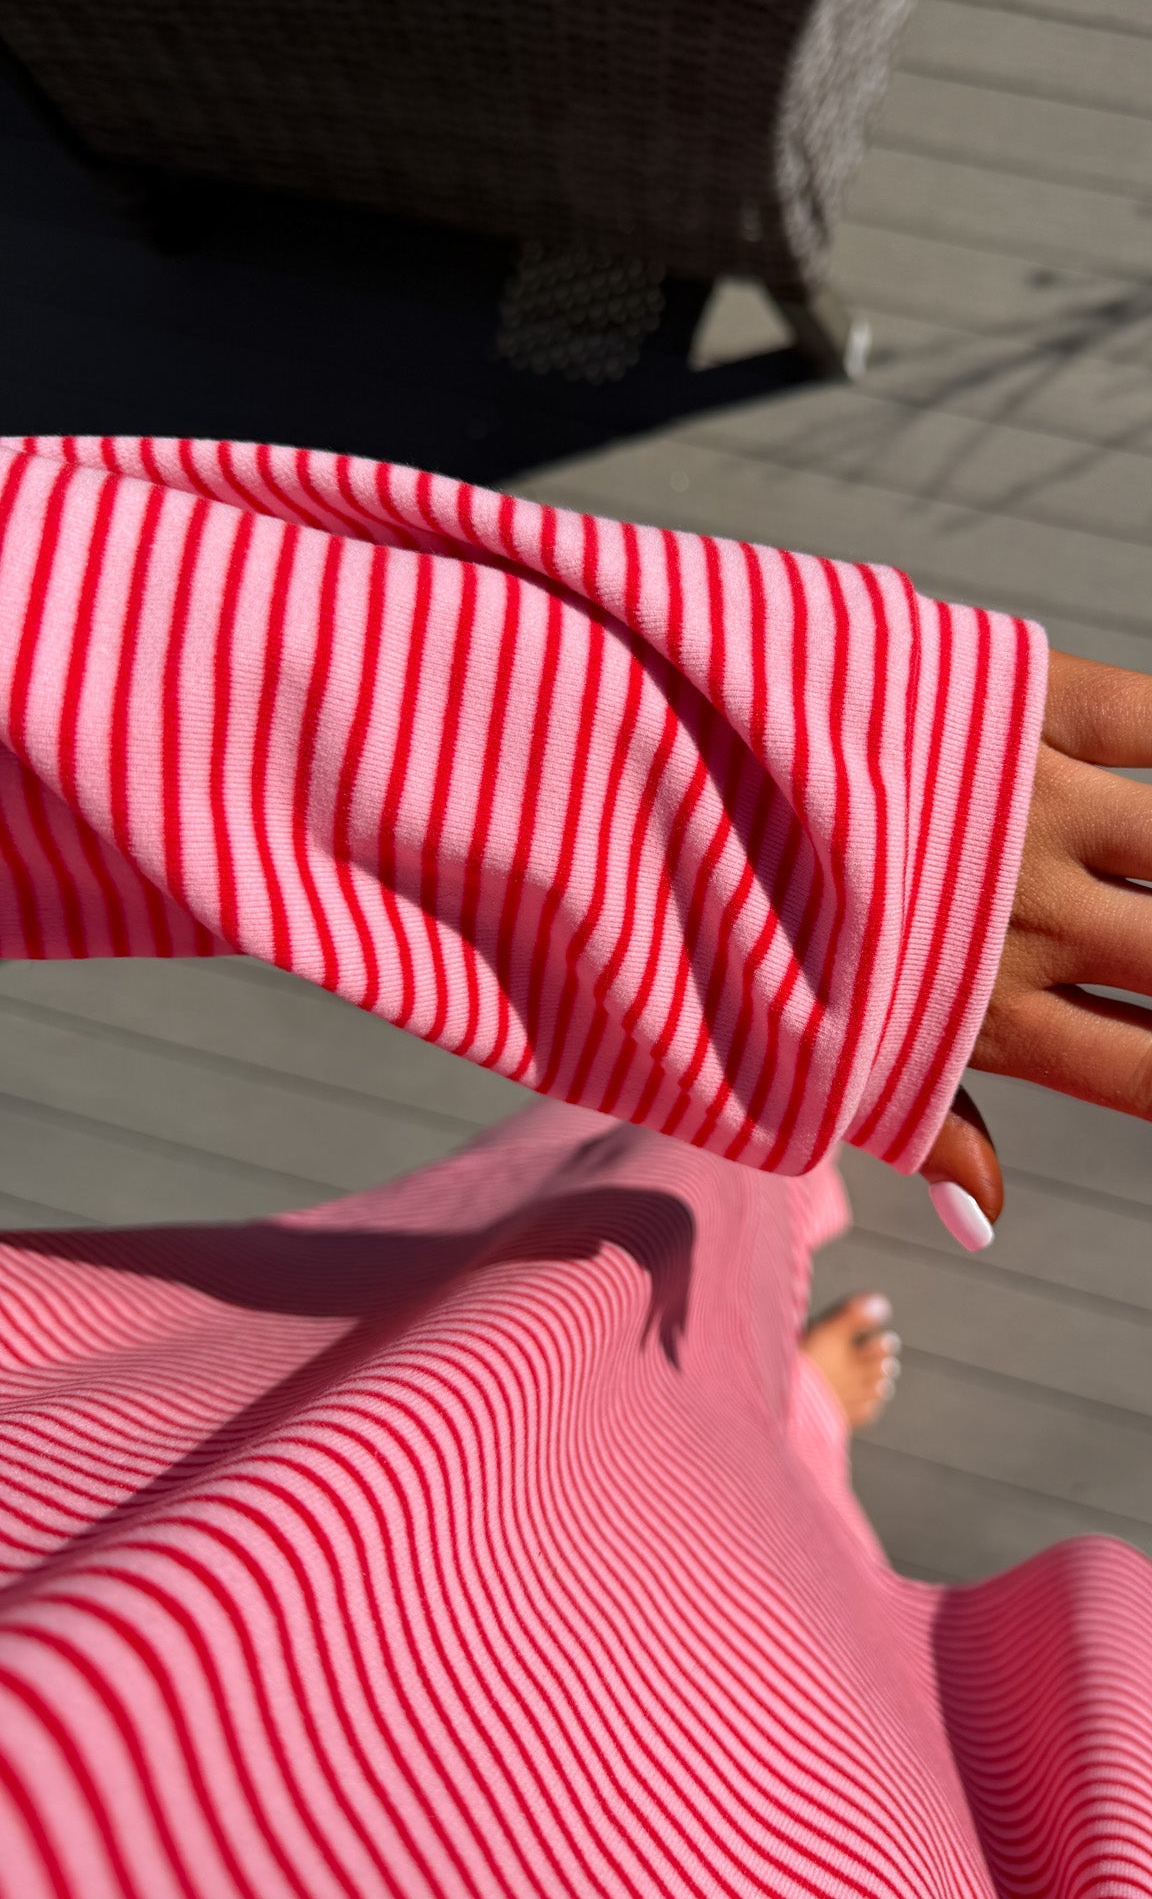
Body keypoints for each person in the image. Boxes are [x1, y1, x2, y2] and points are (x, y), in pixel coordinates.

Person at [0, 431, 1150, 1898]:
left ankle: (766, 1404)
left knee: (641, 1249)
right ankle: (783, 1432)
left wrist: (614, 783)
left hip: (257, 1453)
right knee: (688, 1377)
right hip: (820, 1792)